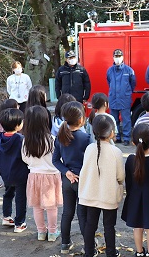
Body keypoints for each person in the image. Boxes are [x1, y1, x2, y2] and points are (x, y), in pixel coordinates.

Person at [78, 115, 124, 257]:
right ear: (111, 133)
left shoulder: (89, 149)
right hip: (108, 195)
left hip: (90, 194)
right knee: (109, 226)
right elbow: (121, 177)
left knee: (90, 225)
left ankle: (89, 252)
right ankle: (111, 252)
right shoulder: (116, 152)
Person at [51, 101, 91, 254]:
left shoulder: (60, 137)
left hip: (67, 180)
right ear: (81, 119)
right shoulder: (86, 138)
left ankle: (65, 244)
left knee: (67, 212)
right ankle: (88, 243)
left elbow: (55, 160)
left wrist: (66, 171)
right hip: (82, 179)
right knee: (82, 214)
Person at [22, 106, 62, 242]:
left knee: (37, 206)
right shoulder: (52, 139)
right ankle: (52, 232)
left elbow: (24, 158)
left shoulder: (26, 140)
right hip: (52, 176)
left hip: (34, 175)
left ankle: (41, 231)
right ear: (46, 121)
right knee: (51, 207)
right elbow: (59, 158)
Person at [121, 124, 149, 257]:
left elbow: (128, 182)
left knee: (137, 227)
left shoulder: (130, 160)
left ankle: (139, 252)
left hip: (134, 198)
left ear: (133, 141)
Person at [0, 108, 29, 233]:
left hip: (6, 173)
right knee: (20, 198)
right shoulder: (20, 139)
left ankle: (6, 216)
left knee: (8, 193)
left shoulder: (0, 139)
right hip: (20, 174)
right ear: (17, 125)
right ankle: (19, 223)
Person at [107, 49, 136, 145]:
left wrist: (127, 92)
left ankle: (127, 138)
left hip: (125, 98)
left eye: (119, 56)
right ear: (113, 57)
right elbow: (109, 82)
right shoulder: (110, 71)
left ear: (123, 57)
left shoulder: (129, 70)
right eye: (116, 56)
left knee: (126, 119)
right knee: (114, 119)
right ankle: (117, 137)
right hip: (113, 98)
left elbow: (133, 83)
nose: (117, 58)